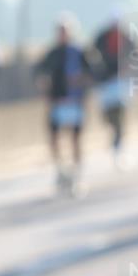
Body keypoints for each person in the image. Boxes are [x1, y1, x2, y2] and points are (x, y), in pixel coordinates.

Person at [34, 16, 93, 196]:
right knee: (55, 138)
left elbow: (91, 73)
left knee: (75, 139)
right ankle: (60, 170)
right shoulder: (52, 54)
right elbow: (39, 73)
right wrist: (45, 89)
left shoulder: (79, 52)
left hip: (74, 102)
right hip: (57, 102)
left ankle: (77, 174)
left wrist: (80, 85)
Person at [88, 11, 135, 169]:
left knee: (120, 116)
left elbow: (136, 54)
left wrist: (129, 65)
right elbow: (91, 54)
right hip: (105, 83)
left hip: (120, 82)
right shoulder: (102, 37)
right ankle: (114, 137)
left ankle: (118, 146)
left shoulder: (126, 37)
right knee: (108, 117)